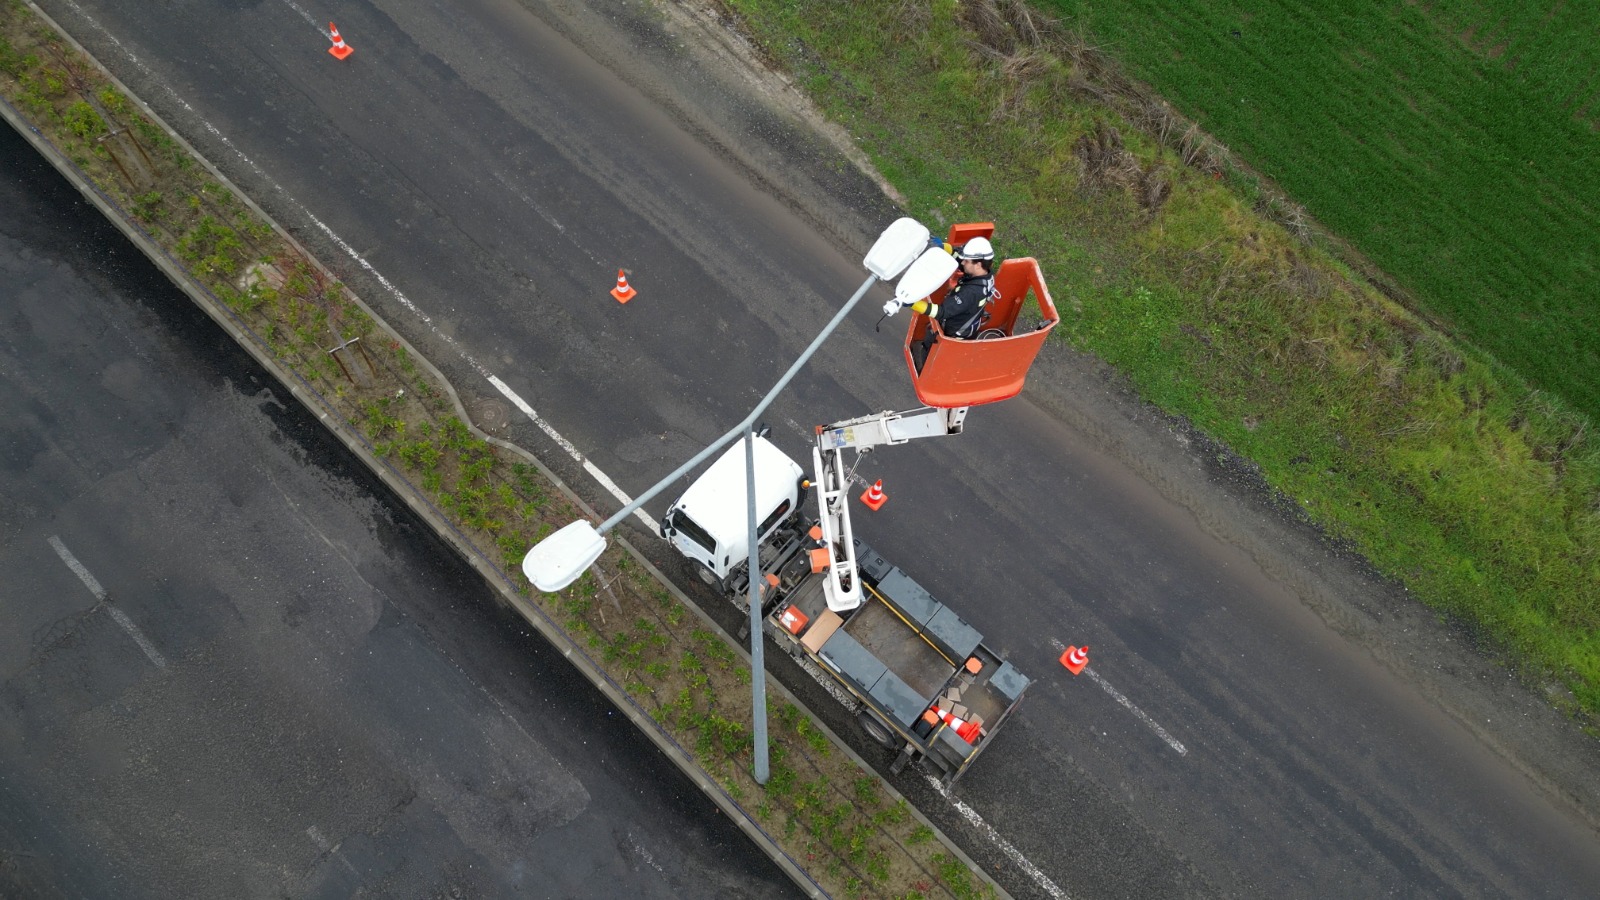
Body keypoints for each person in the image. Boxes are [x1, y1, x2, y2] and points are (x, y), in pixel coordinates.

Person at [909, 236, 997, 371]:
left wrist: (913, 303)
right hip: (967, 322)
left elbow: (941, 312)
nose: (963, 263)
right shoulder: (984, 274)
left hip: (953, 332)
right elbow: (959, 257)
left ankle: (925, 370)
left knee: (931, 342)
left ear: (978, 264)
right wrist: (943, 247)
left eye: (966, 261)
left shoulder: (971, 293)